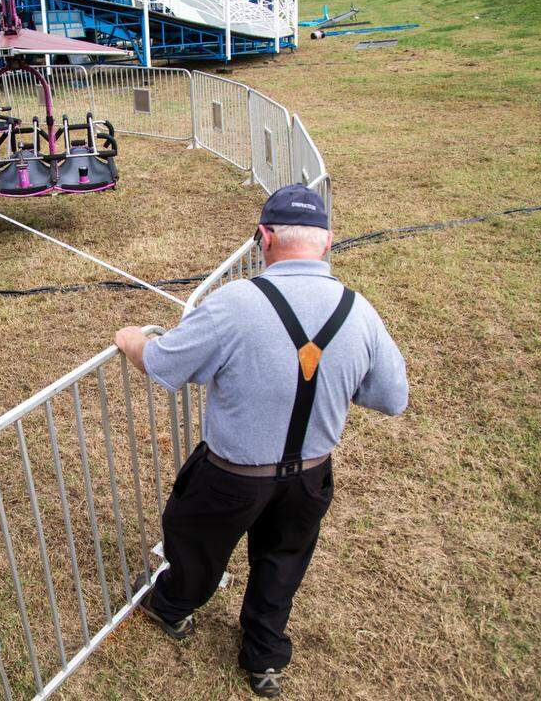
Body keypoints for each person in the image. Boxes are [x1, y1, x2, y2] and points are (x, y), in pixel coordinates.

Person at [114, 184, 408, 698]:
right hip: (311, 475)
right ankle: (264, 659)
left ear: (263, 237)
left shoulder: (234, 303)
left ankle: (172, 608)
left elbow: (163, 363)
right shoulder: (359, 312)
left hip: (230, 476)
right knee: (282, 562)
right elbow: (392, 397)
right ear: (328, 241)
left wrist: (131, 338)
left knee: (196, 547)